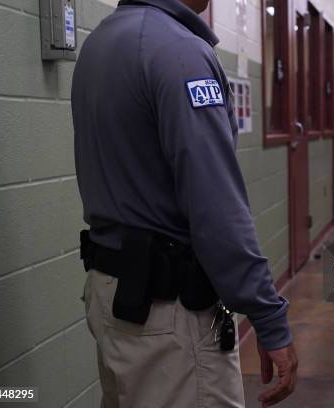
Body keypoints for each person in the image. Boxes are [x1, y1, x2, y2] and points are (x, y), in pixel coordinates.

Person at [71, 0, 298, 406]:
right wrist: (267, 315)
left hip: (113, 296)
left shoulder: (100, 43)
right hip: (167, 314)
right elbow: (216, 206)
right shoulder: (181, 52)